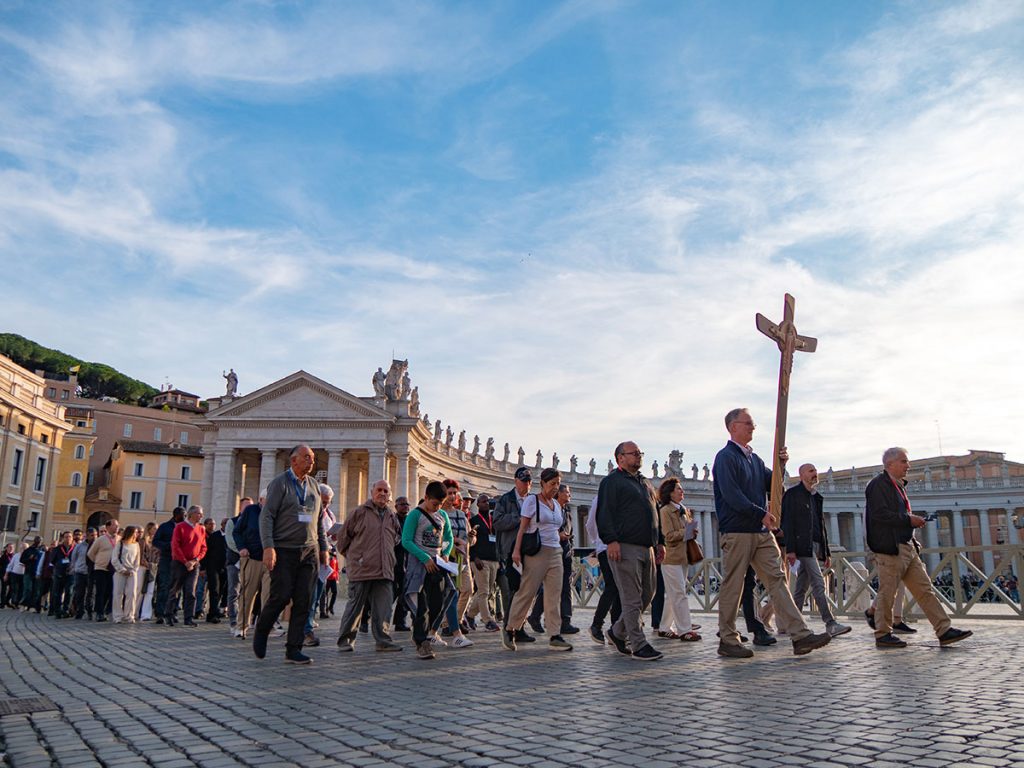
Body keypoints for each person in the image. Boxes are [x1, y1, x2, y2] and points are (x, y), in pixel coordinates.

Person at [712, 408, 831, 658]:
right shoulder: (725, 458)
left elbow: (776, 486)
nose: (753, 428)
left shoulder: (755, 460)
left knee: (777, 579)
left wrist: (781, 465)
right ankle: (728, 638)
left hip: (760, 531)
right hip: (737, 531)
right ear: (733, 427)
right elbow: (732, 495)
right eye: (748, 424)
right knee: (733, 584)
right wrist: (761, 513)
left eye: (753, 424)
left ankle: (799, 635)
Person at [866, 447, 972, 649]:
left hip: (907, 547)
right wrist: (909, 520)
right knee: (888, 593)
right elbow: (879, 515)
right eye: (904, 461)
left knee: (925, 590)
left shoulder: (898, 486)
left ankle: (944, 630)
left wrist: (912, 528)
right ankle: (882, 634)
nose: (908, 466)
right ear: (890, 464)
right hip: (891, 548)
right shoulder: (877, 485)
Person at [253, 445, 327, 665]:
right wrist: (268, 547)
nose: (311, 462)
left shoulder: (314, 485)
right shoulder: (279, 484)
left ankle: (293, 649)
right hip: (284, 550)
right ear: (293, 460)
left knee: (304, 600)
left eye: (312, 458)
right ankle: (262, 630)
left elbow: (319, 520)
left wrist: (323, 548)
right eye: (307, 458)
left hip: (309, 550)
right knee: (281, 596)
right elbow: (266, 517)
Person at [595, 442, 665, 661]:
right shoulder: (611, 482)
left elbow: (655, 514)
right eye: (633, 453)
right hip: (624, 546)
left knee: (647, 594)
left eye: (639, 453)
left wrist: (660, 541)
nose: (638, 456)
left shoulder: (645, 483)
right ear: (620, 458)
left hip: (648, 547)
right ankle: (638, 644)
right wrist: (611, 540)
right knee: (631, 597)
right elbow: (604, 513)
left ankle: (617, 632)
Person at [501, 468, 573, 652]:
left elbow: (554, 527)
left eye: (557, 484)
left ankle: (555, 634)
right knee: (527, 592)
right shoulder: (532, 501)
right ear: (542, 483)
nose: (555, 488)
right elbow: (522, 528)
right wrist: (516, 551)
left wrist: (561, 535)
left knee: (554, 594)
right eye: (552, 484)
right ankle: (511, 629)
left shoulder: (556, 505)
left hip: (556, 551)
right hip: (537, 553)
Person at [781, 463, 851, 637]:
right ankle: (830, 623)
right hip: (801, 546)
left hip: (815, 546)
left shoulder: (816, 497)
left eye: (815, 471)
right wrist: (790, 549)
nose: (815, 474)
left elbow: (821, 526)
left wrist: (825, 552)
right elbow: (787, 523)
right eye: (811, 471)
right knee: (819, 584)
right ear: (802, 474)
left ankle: (792, 624)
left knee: (801, 589)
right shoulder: (792, 495)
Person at [335, 480, 403, 653]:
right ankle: (345, 640)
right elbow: (343, 540)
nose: (382, 493)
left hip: (385, 569)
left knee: (384, 608)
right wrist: (355, 558)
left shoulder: (391, 516)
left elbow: (396, 538)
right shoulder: (358, 513)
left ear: (390, 495)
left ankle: (383, 641)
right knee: (355, 607)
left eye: (386, 491)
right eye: (379, 490)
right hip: (362, 569)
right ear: (372, 492)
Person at [401, 481, 456, 660]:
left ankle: (428, 632)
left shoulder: (442, 516)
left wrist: (446, 553)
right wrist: (424, 558)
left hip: (438, 566)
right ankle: (421, 641)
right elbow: (406, 540)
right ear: (426, 498)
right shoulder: (415, 515)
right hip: (420, 566)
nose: (438, 508)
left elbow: (448, 538)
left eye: (441, 504)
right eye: (435, 504)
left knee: (437, 604)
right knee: (421, 606)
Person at [528, 483, 580, 636]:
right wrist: (560, 535)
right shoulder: (552, 509)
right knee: (557, 588)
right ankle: (562, 621)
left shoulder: (567, 512)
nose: (570, 495)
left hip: (566, 552)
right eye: (567, 492)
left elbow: (571, 532)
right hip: (554, 550)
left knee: (563, 587)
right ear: (559, 494)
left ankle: (539, 616)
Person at [493, 467, 537, 645]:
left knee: (528, 591)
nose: (526, 484)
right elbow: (497, 522)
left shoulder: (534, 500)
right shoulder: (506, 499)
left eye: (528, 481)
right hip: (512, 551)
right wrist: (520, 519)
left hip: (531, 549)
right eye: (523, 481)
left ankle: (520, 627)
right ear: (515, 481)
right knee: (513, 590)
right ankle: (509, 628)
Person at [656, 478, 700, 641]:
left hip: (683, 556)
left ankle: (664, 627)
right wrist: (685, 532)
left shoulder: (683, 509)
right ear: (670, 492)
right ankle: (685, 630)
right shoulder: (665, 511)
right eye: (678, 489)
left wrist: (692, 532)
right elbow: (668, 536)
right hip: (670, 557)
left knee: (673, 594)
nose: (682, 491)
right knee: (679, 593)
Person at [438, 480, 474, 648]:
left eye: (454, 493)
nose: (452, 496)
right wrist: (454, 543)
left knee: (467, 589)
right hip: (447, 559)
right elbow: (439, 539)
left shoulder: (461, 515)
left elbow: (469, 539)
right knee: (450, 593)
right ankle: (449, 626)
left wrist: (472, 537)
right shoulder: (438, 513)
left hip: (463, 558)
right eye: (449, 492)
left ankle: (455, 621)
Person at [303, 483, 337, 647]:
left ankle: (308, 625)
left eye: (328, 502)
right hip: (310, 556)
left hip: (325, 559)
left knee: (316, 595)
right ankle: (305, 629)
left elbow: (326, 537)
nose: (326, 505)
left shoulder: (329, 515)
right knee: (309, 595)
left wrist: (334, 538)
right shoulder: (307, 510)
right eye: (323, 502)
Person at [585, 494, 621, 644]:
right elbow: (590, 525)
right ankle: (596, 625)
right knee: (612, 586)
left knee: (620, 588)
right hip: (606, 548)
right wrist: (599, 542)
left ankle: (615, 630)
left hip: (622, 548)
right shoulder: (600, 498)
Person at [234, 494, 270, 640]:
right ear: (261, 499)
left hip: (270, 560)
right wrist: (241, 547)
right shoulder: (250, 511)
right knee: (248, 594)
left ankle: (265, 627)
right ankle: (241, 626)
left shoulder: (277, 512)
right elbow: (236, 532)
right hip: (252, 558)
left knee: (268, 595)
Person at [165, 506, 207, 627]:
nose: (201, 516)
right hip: (179, 563)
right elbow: (175, 546)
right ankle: (169, 614)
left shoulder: (201, 529)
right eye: (199, 514)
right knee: (175, 590)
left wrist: (195, 560)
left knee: (190, 591)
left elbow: (203, 547)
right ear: (191, 514)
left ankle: (188, 617)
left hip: (194, 564)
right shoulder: (180, 527)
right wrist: (185, 561)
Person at [467, 494, 501, 632]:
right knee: (484, 591)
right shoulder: (473, 520)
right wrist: (474, 557)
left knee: (485, 591)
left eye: (488, 501)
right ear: (478, 504)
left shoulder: (495, 520)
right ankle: (488, 620)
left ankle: (469, 615)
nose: (486, 503)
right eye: (483, 501)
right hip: (480, 560)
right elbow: (470, 542)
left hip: (494, 560)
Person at [152, 507, 185, 624]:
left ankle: (173, 612)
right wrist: (169, 545)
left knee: (177, 587)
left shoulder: (184, 527)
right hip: (167, 559)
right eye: (183, 514)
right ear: (176, 515)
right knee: (164, 586)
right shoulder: (165, 527)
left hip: (180, 560)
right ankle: (160, 613)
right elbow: (155, 541)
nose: (185, 516)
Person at [87, 521, 120, 621]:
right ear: (108, 527)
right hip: (101, 568)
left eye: (118, 526)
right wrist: (98, 562)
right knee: (100, 591)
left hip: (113, 569)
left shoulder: (119, 539)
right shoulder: (101, 539)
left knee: (109, 591)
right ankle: (99, 613)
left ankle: (105, 610)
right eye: (115, 525)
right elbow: (90, 553)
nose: (117, 527)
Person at [110, 526, 141, 624]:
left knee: (132, 594)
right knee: (118, 594)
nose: (136, 534)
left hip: (132, 572)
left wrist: (134, 570)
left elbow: (137, 559)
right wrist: (122, 569)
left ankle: (129, 615)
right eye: (135, 532)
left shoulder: (136, 545)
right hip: (120, 572)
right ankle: (117, 616)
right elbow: (114, 559)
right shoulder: (120, 544)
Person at [200, 518, 226, 624]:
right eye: (225, 524)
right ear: (222, 525)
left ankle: (215, 610)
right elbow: (206, 552)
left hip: (225, 568)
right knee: (214, 590)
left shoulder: (232, 536)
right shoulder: (214, 536)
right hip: (213, 567)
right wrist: (203, 568)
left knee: (221, 591)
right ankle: (212, 614)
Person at [391, 496, 412, 630]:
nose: (405, 506)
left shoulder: (410, 520)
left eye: (407, 504)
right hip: (393, 561)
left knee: (404, 594)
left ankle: (400, 622)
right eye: (402, 504)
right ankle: (369, 618)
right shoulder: (392, 519)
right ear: (396, 506)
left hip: (407, 561)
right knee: (390, 594)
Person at [49, 531, 76, 618]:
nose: (68, 538)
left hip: (71, 574)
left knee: (69, 592)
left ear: (72, 538)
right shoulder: (57, 549)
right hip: (59, 574)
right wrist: (59, 564)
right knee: (57, 593)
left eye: (69, 537)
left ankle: (66, 609)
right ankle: (57, 611)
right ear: (63, 538)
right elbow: (52, 560)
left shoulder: (75, 548)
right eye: (66, 537)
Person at [70, 528, 96, 619]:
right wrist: (74, 568)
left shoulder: (97, 545)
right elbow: (74, 558)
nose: (94, 537)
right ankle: (79, 611)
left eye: (95, 535)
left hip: (91, 572)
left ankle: (89, 611)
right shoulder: (80, 546)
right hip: (80, 572)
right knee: (79, 593)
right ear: (87, 535)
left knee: (90, 593)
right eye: (92, 535)